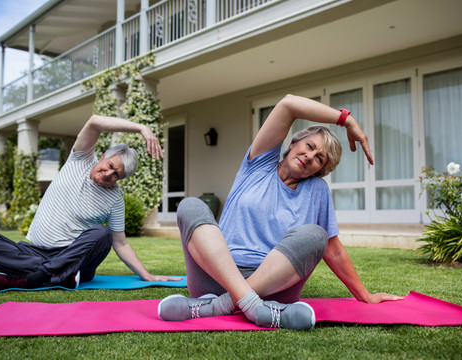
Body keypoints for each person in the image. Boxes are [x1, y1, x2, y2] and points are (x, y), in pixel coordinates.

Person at [157, 94, 403, 330]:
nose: (309, 156)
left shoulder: (316, 190)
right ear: (293, 142)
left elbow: (333, 249)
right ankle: (255, 308)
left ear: (321, 170)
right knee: (190, 205)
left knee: (316, 234)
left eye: (319, 158)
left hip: (275, 287)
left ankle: (221, 305)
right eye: (309, 146)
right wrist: (346, 120)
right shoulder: (258, 165)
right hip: (215, 276)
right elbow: (288, 105)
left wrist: (365, 296)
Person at [0, 114, 181, 292]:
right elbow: (94, 121)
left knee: (102, 234)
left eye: (117, 174)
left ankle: (28, 277)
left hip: (75, 259)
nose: (109, 174)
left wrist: (147, 275)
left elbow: (120, 243)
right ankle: (53, 276)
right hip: (35, 252)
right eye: (110, 165)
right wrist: (142, 128)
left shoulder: (115, 199)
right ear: (104, 155)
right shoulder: (80, 159)